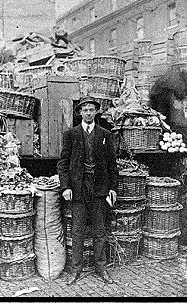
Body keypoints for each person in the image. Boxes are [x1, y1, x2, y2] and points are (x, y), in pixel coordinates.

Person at [57, 96, 119, 285]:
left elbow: (112, 165)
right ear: (80, 112)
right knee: (77, 231)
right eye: (85, 110)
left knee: (100, 231)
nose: (89, 113)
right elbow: (63, 163)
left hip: (99, 189)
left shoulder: (105, 135)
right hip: (79, 189)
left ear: (96, 112)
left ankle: (101, 269)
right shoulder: (71, 134)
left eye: (92, 109)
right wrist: (66, 187)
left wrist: (113, 188)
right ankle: (76, 269)